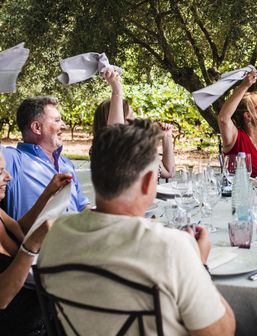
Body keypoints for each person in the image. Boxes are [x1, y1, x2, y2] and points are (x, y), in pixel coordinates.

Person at [37, 119, 235, 335]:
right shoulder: (172, 247)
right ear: (149, 181)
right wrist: (199, 265)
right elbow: (220, 332)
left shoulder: (56, 234)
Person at [0, 152, 71, 335]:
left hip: (41, 318)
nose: (9, 177)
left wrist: (48, 193)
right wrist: (32, 245)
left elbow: (20, 229)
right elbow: (2, 297)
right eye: (0, 172)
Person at [2, 96, 89, 219]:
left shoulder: (66, 164)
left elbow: (83, 207)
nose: (64, 125)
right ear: (37, 127)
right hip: (38, 238)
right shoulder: (13, 159)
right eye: (57, 120)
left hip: (75, 235)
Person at [92, 67, 175, 179]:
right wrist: (116, 90)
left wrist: (167, 136)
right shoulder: (106, 153)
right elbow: (116, 136)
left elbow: (169, 173)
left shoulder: (140, 147)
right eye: (128, 119)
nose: (134, 122)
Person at [218, 68, 257, 177]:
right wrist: (244, 86)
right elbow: (223, 118)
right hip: (240, 193)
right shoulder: (236, 138)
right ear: (248, 116)